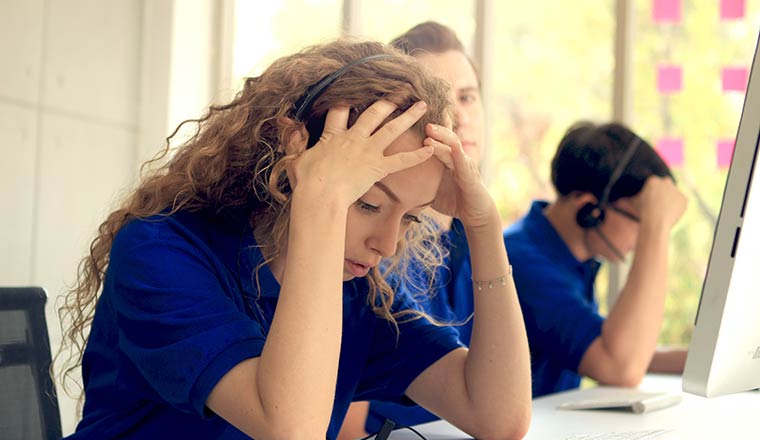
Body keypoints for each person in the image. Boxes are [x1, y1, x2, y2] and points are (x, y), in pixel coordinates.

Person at [55, 39, 531, 439]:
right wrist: (321, 201)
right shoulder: (160, 253)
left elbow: (498, 417)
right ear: (293, 157)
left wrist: (483, 226)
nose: (387, 244)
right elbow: (292, 429)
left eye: (408, 218)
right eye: (367, 204)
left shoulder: (357, 291)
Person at [338, 22, 488, 438]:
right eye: (438, 97)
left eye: (468, 97)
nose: (458, 115)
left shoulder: (465, 239)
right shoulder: (366, 253)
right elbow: (343, 428)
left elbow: (501, 414)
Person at [504, 121, 688, 398]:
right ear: (589, 208)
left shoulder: (573, 260)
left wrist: (700, 360)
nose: (643, 240)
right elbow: (620, 367)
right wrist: (656, 229)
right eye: (641, 220)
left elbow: (605, 345)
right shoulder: (520, 260)